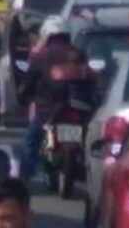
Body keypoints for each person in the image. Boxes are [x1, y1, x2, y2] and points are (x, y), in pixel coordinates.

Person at [18, 25, 94, 180]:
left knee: (29, 141)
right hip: (78, 108)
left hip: (48, 109)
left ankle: (27, 178)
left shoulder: (42, 56)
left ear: (48, 36)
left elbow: (29, 81)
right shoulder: (79, 53)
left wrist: (24, 96)